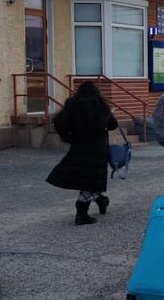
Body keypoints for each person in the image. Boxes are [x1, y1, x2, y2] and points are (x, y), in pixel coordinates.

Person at [46, 81, 118, 224]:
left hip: (79, 146)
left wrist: (69, 138)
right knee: (91, 179)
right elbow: (113, 125)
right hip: (98, 149)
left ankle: (101, 200)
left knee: (87, 178)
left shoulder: (72, 104)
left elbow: (58, 122)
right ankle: (81, 213)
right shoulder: (101, 105)